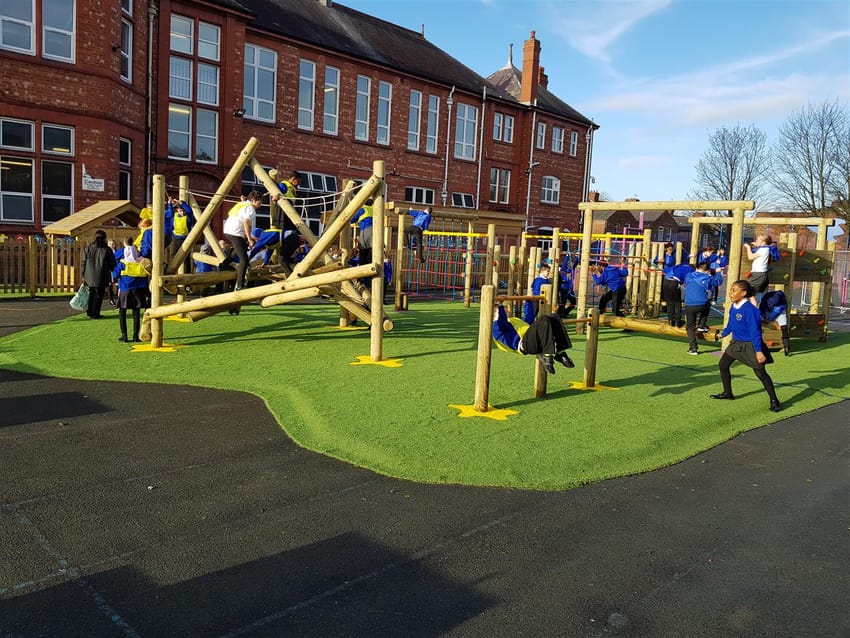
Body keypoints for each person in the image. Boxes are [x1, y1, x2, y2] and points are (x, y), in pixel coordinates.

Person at [710, 279, 782, 412]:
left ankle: (774, 400)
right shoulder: (733, 306)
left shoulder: (751, 310)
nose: (730, 293)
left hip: (751, 346)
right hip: (736, 343)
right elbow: (731, 323)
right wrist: (723, 334)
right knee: (723, 365)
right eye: (730, 290)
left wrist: (759, 351)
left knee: (761, 374)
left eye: (734, 290)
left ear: (743, 293)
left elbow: (755, 332)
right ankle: (728, 393)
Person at [492, 303, 574, 374]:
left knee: (554, 317)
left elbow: (529, 318)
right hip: (525, 345)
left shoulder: (512, 320)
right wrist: (500, 306)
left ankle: (560, 352)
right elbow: (500, 322)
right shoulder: (495, 328)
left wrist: (529, 301)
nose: (505, 310)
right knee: (544, 319)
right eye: (500, 311)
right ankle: (547, 356)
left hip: (533, 338)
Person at [223, 190, 271, 291]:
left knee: (242, 247)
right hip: (235, 233)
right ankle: (240, 284)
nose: (260, 205)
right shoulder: (250, 209)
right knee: (244, 260)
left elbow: (241, 216)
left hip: (229, 230)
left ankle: (224, 265)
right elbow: (245, 222)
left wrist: (251, 237)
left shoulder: (243, 203)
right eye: (259, 202)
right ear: (253, 200)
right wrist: (249, 239)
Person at [683, 262, 723, 354]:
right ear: (708, 270)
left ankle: (693, 348)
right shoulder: (708, 278)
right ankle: (702, 325)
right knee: (707, 305)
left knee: (690, 327)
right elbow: (718, 282)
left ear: (697, 267)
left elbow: (692, 279)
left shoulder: (689, 276)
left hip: (689, 304)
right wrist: (717, 273)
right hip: (702, 304)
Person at [112, 250, 149, 342]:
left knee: (122, 313)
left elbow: (115, 274)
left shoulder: (123, 263)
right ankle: (135, 336)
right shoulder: (141, 263)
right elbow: (145, 276)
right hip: (138, 291)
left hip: (125, 290)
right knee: (136, 313)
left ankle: (124, 336)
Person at [81, 229, 118, 319]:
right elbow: (112, 263)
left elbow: (83, 263)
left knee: (92, 293)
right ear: (105, 238)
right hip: (101, 274)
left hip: (89, 275)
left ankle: (90, 311)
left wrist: (83, 275)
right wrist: (109, 269)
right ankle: (95, 313)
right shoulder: (107, 250)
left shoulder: (88, 248)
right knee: (99, 295)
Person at [661, 262, 693, 327]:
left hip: (666, 281)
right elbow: (687, 280)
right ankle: (678, 321)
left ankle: (671, 320)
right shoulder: (690, 269)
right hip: (674, 282)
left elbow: (665, 270)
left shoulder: (678, 266)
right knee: (677, 302)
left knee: (670, 302)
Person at [166, 196, 195, 270]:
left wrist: (181, 203)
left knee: (186, 257)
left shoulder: (188, 217)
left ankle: (187, 273)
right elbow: (170, 211)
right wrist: (170, 203)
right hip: (175, 238)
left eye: (182, 211)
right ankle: (171, 272)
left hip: (185, 239)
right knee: (172, 256)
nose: (181, 212)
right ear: (177, 210)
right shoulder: (174, 216)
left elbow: (189, 211)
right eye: (180, 211)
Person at [760, 289, 791, 356]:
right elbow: (762, 309)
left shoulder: (781, 301)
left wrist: (769, 318)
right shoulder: (766, 299)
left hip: (780, 311)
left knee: (784, 328)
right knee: (762, 321)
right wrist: (764, 318)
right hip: (768, 308)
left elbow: (777, 311)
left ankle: (786, 348)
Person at [352, 198, 374, 270]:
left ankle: (362, 276)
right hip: (375, 232)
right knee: (370, 255)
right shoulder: (374, 209)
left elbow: (352, 219)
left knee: (363, 253)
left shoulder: (362, 209)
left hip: (366, 231)